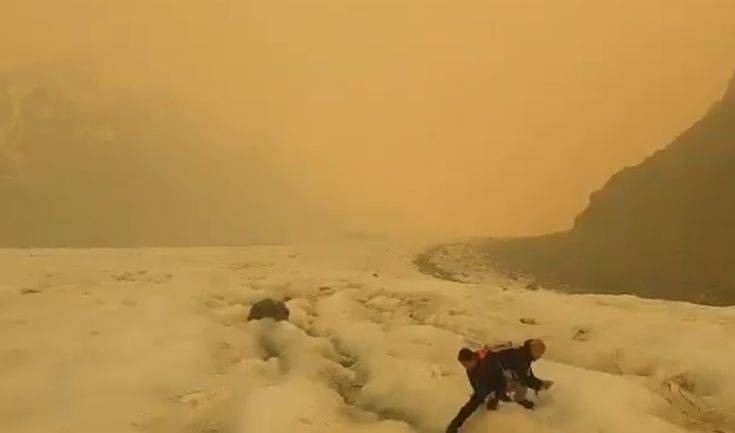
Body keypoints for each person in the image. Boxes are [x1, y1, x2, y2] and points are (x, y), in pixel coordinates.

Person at [445, 339, 554, 433]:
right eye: (540, 354)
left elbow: (525, 374)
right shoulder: (519, 357)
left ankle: (518, 399)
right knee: (475, 401)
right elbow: (521, 379)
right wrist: (494, 397)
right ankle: (453, 426)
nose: (540, 357)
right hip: (491, 377)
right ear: (534, 352)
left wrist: (538, 384)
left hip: (493, 375)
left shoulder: (519, 356)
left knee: (481, 397)